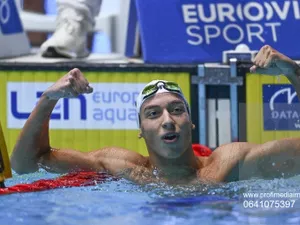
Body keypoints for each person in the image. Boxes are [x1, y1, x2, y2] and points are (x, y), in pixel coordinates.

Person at [10, 45, 300, 184]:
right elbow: (25, 165)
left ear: (191, 122)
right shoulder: (124, 168)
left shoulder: (229, 166)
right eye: (153, 113)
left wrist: (294, 72)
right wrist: (47, 100)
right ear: (140, 129)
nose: (167, 120)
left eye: (177, 110)